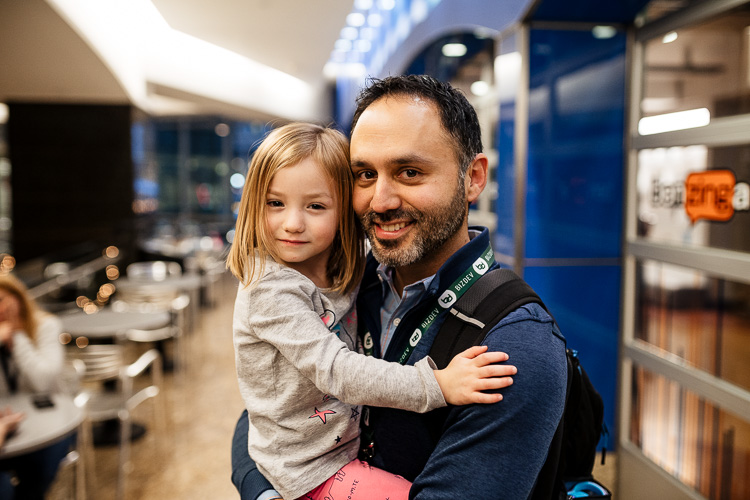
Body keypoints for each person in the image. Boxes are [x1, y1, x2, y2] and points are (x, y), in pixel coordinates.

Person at [232, 76, 568, 499]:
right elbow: (267, 411)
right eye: (366, 175)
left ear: (474, 178)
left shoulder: (515, 343)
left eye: (409, 172)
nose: (381, 200)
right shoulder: (354, 282)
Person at [0, 273, 71, 499]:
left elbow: (43, 382)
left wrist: (18, 338)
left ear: (17, 297)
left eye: (0, 300)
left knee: (39, 469)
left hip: (54, 421)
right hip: (7, 426)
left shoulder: (45, 326)